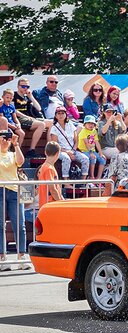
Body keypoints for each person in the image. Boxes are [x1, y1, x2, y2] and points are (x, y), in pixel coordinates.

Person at [0, 128, 30, 271]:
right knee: (0, 225)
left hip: (13, 190)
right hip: (0, 190)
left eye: (7, 138)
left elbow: (20, 161)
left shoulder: (13, 153)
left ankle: (21, 256)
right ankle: (1, 256)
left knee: (19, 224)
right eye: (2, 137)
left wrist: (16, 144)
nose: (5, 140)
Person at [50, 106, 89, 181]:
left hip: (72, 149)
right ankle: (66, 180)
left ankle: (83, 180)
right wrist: (67, 152)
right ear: (55, 115)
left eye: (62, 113)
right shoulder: (54, 128)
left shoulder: (70, 125)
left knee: (85, 159)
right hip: (60, 151)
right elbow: (55, 145)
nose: (61, 115)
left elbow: (76, 140)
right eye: (58, 113)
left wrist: (73, 151)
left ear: (66, 115)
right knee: (66, 158)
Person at [14, 78, 50, 156]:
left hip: (29, 119)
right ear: (18, 86)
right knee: (41, 124)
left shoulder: (27, 97)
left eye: (27, 86)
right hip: (19, 119)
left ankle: (48, 150)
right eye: (23, 86)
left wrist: (31, 97)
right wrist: (27, 117)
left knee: (51, 123)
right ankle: (32, 150)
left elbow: (39, 108)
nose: (25, 88)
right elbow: (14, 110)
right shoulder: (14, 95)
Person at [76, 115, 106, 180]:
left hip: (92, 151)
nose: (91, 125)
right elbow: (86, 143)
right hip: (83, 150)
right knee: (93, 158)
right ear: (85, 124)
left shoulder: (94, 131)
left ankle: (98, 178)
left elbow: (96, 142)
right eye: (89, 123)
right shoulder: (83, 131)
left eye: (92, 123)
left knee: (103, 159)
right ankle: (91, 176)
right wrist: (91, 153)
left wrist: (100, 153)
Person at [38, 141, 63, 208]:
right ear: (57, 154)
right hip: (50, 204)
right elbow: (52, 189)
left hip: (46, 204)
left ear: (45, 152)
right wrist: (60, 201)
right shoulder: (49, 168)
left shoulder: (45, 167)